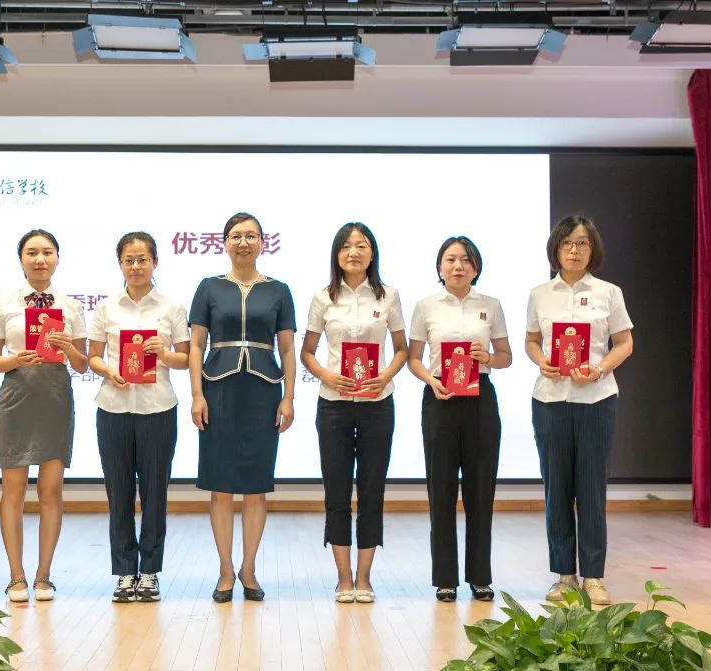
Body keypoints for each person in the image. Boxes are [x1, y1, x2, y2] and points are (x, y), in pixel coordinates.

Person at [525, 215, 633, 606]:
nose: (574, 250)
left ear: (593, 249)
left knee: (591, 490)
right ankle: (564, 576)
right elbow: (531, 340)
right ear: (556, 248)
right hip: (550, 401)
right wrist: (542, 361)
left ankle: (593, 577)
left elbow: (625, 343)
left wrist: (599, 369)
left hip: (596, 400)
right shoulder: (540, 294)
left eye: (582, 243)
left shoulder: (609, 293)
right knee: (557, 490)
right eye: (567, 243)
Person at [189, 211, 296, 603]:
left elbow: (288, 348)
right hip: (218, 390)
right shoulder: (209, 287)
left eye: (251, 236)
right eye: (236, 236)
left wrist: (288, 397)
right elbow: (196, 344)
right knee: (220, 486)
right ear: (225, 243)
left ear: (263, 243)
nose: (244, 242)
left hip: (263, 392)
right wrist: (197, 394)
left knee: (255, 486)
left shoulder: (279, 290)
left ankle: (249, 569)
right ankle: (225, 570)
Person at [300, 222, 408, 603]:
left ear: (372, 253)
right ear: (336, 254)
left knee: (372, 489)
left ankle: (365, 577)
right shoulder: (323, 297)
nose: (354, 253)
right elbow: (307, 352)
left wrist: (385, 376)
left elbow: (402, 349)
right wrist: (327, 375)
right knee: (337, 490)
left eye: (361, 246)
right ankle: (343, 577)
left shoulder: (389, 296)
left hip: (377, 404)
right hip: (334, 404)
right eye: (346, 246)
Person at [0, 229, 88, 603]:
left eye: (47, 252)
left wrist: (67, 347)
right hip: (16, 396)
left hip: (55, 397)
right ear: (21, 259)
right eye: (32, 252)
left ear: (57, 258)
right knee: (13, 488)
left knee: (50, 489)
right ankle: (16, 576)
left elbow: (82, 364)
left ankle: (44, 576)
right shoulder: (4, 303)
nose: (40, 259)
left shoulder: (71, 306)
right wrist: (14, 359)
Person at [407, 236, 512, 603]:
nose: (458, 266)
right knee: (441, 491)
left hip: (480, 399)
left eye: (466, 260)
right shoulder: (425, 306)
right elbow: (414, 358)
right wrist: (431, 380)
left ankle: (480, 577)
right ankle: (445, 579)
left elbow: (506, 356)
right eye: (450, 259)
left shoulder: (491, 306)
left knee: (481, 492)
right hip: (440, 399)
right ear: (439, 267)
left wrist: (489, 358)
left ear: (476, 267)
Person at [88, 232, 190, 603]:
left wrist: (163, 353)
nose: (135, 266)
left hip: (157, 408)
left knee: (154, 493)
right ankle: (123, 572)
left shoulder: (171, 307)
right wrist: (107, 370)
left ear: (155, 263)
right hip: (113, 408)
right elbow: (93, 356)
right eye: (129, 260)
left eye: (142, 259)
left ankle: (149, 571)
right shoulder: (106, 308)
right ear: (120, 264)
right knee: (118, 493)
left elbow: (185, 359)